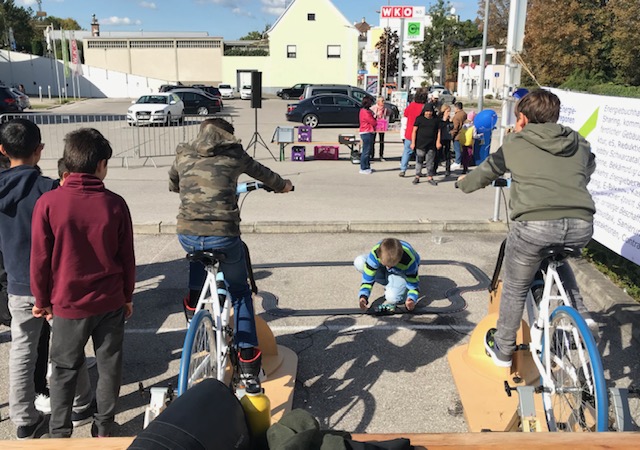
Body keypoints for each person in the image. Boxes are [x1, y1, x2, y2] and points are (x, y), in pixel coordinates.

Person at [457, 89, 596, 368]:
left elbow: (485, 172)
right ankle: (583, 318)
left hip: (534, 225)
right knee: (558, 255)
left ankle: (503, 350)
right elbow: (589, 167)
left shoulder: (515, 143)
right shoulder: (578, 141)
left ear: (522, 118)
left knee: (516, 285)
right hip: (581, 223)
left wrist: (463, 183)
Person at [168, 118, 293, 384]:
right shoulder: (234, 154)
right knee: (240, 292)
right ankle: (248, 363)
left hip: (186, 234)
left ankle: (193, 308)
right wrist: (284, 186)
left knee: (198, 254)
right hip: (224, 235)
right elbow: (265, 175)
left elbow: (174, 183)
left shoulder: (183, 152)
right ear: (227, 136)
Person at [30, 128, 135, 438]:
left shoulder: (48, 203)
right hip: (109, 300)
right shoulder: (115, 204)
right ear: (101, 164)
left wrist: (41, 300)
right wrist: (127, 295)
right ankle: (104, 426)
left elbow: (39, 259)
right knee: (109, 366)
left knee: (63, 369)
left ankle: (60, 431)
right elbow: (126, 257)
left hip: (67, 304)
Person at [0, 120, 93, 440]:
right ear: (39, 150)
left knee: (22, 350)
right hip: (55, 285)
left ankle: (24, 419)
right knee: (67, 346)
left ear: (2, 151)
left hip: (16, 284)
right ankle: (81, 404)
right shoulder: (51, 189)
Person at [355, 238, 421, 312]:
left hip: (400, 271)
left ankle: (399, 289)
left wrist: (411, 298)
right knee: (359, 262)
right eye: (386, 265)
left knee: (392, 298)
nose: (388, 267)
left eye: (391, 265)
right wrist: (363, 296)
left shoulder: (409, 261)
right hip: (387, 265)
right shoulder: (375, 253)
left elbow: (413, 284)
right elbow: (367, 279)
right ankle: (391, 282)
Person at [410, 103, 441, 186]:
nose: (428, 113)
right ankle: (417, 176)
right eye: (427, 111)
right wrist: (413, 142)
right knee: (419, 161)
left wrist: (438, 142)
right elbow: (414, 131)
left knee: (430, 162)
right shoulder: (419, 119)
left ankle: (430, 177)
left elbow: (438, 131)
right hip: (420, 144)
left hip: (431, 144)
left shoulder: (436, 120)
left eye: (430, 111)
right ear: (424, 111)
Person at [399, 90, 428, 177]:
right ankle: (418, 171)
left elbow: (405, 115)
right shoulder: (424, 107)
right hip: (420, 133)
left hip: (409, 132)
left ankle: (403, 169)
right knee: (419, 153)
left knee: (407, 151)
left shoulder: (411, 105)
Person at [358, 96, 376, 174]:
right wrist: (375, 118)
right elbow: (373, 122)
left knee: (367, 151)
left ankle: (367, 166)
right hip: (366, 132)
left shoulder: (363, 111)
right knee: (366, 151)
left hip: (365, 131)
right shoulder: (366, 112)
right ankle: (363, 167)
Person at [370, 96, 390, 161]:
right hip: (374, 125)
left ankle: (381, 155)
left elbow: (388, 115)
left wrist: (386, 122)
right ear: (378, 102)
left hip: (382, 125)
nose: (383, 102)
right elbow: (370, 116)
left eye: (383, 101)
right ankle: (371, 155)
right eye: (382, 101)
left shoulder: (385, 108)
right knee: (373, 141)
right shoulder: (373, 108)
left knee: (381, 141)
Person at [437, 104, 454, 177]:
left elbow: (451, 127)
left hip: (447, 137)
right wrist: (444, 120)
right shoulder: (439, 119)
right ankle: (435, 168)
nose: (449, 113)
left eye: (449, 111)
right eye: (447, 111)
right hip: (440, 137)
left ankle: (448, 170)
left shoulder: (448, 119)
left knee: (448, 154)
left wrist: (450, 122)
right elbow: (439, 127)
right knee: (438, 154)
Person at [451, 102, 467, 170]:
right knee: (461, 149)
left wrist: (451, 135)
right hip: (463, 134)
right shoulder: (464, 114)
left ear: (457, 108)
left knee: (457, 149)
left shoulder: (457, 116)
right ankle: (461, 161)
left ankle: (457, 162)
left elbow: (455, 127)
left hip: (457, 136)